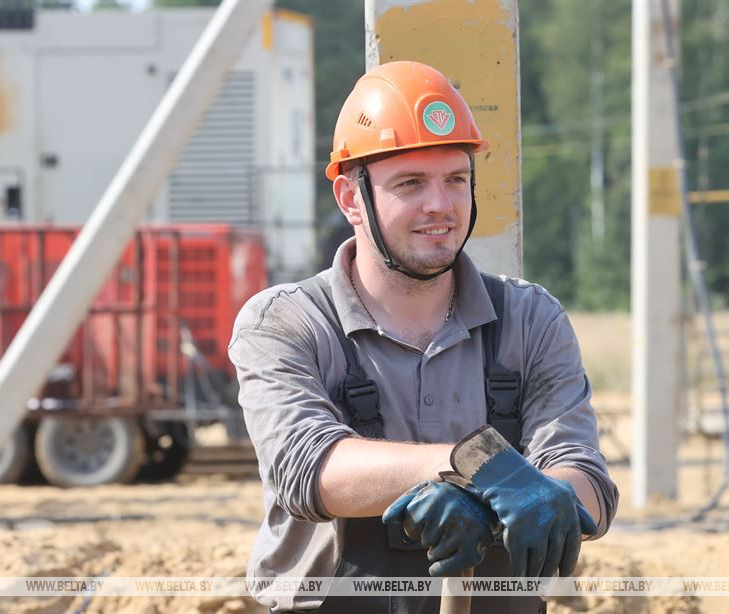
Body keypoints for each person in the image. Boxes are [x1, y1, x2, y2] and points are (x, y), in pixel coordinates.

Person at [229, 61, 619, 613]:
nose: (440, 204)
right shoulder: (285, 323)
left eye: (456, 179)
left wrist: (530, 498)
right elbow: (307, 470)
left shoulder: (529, 318)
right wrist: (478, 466)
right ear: (350, 199)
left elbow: (586, 481)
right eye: (410, 183)